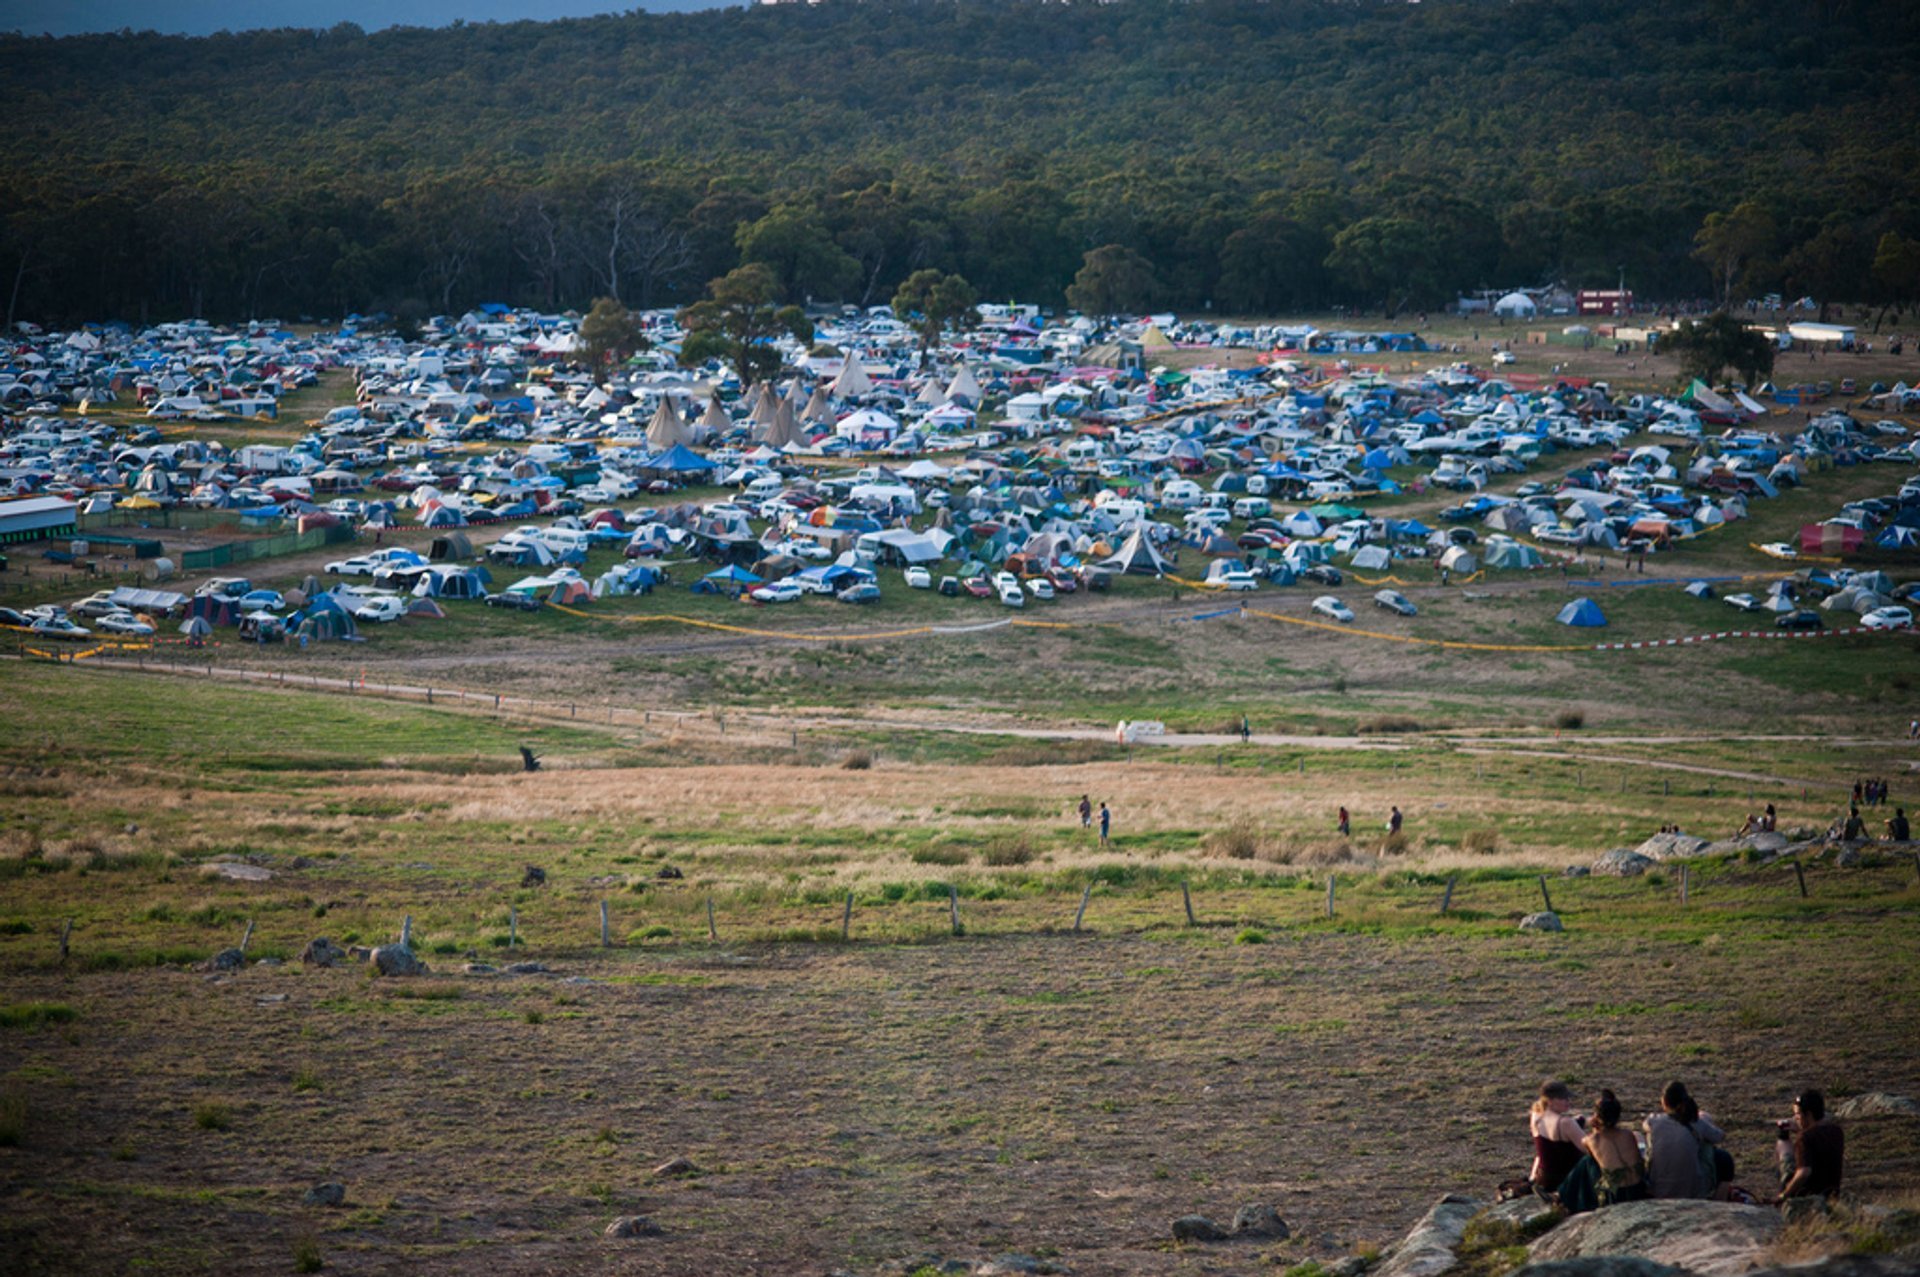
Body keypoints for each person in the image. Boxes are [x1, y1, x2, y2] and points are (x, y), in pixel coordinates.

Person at [1645, 1081, 1728, 1200]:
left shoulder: (1654, 1120)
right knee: (1723, 1158)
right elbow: (1719, 1136)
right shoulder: (1697, 1122)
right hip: (1692, 1191)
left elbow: (1646, 1125)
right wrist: (1705, 1119)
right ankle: (1719, 1200)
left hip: (1658, 1190)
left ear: (1664, 1102)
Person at [1775, 1089, 1845, 1203]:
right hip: (1831, 1195)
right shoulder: (1837, 1131)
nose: (1795, 1118)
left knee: (1784, 1151)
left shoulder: (1805, 1138)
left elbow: (1804, 1172)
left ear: (1808, 1114)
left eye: (1797, 1114)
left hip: (1806, 1198)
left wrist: (1783, 1196)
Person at [1584, 1090, 1649, 1205]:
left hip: (1616, 1194)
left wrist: (1594, 1128)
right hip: (1638, 1188)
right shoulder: (1628, 1134)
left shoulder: (1592, 1139)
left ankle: (1563, 1196)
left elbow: (1588, 1149)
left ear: (1597, 1117)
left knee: (1586, 1162)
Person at [1530, 1081, 1588, 1195]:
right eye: (1562, 1098)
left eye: (1568, 1098)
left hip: (1545, 1177)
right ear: (1550, 1101)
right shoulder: (1566, 1123)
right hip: (1566, 1179)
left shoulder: (1536, 1116)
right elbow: (1590, 1149)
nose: (1568, 1101)